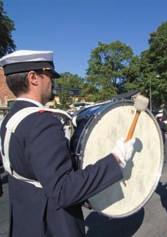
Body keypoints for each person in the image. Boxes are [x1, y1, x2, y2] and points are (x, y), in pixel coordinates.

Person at [0, 50, 136, 237]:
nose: (52, 81)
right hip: (51, 226)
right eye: (48, 75)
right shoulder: (42, 122)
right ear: (33, 78)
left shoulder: (11, 119)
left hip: (26, 223)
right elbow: (63, 191)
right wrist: (116, 159)